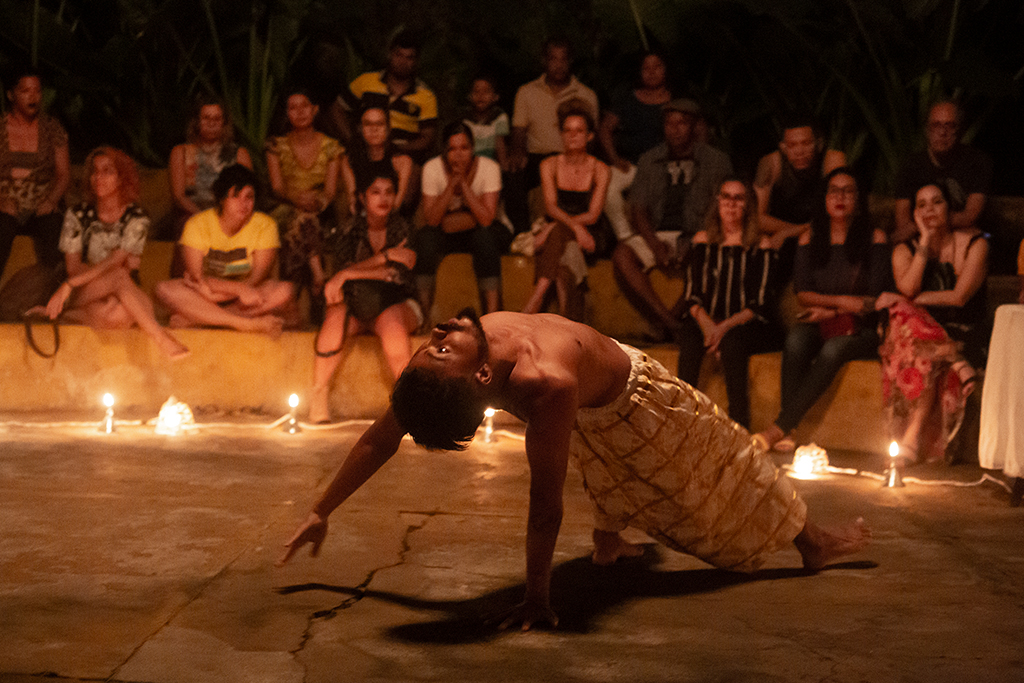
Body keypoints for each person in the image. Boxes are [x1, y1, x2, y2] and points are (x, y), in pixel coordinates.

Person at [279, 309, 872, 630]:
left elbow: (381, 437)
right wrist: (537, 596)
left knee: (726, 461)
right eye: (439, 350)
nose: (438, 333)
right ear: (479, 379)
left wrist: (317, 511)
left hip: (641, 396)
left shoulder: (507, 361)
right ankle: (805, 542)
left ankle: (806, 541)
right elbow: (542, 503)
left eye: (433, 345)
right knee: (688, 475)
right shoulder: (539, 384)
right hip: (609, 410)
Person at [754, 167, 891, 452]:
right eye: (834, 191)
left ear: (858, 198)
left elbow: (873, 300)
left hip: (864, 327)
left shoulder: (874, 237)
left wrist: (832, 308)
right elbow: (803, 293)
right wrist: (841, 304)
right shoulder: (810, 236)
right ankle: (789, 431)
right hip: (823, 319)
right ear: (825, 198)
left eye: (848, 191)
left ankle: (780, 427)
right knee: (796, 340)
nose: (840, 197)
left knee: (833, 350)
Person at [38, 147, 188, 359]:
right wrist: (72, 283)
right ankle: (161, 338)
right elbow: (74, 269)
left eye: (108, 171)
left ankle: (70, 317)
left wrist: (83, 276)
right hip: (84, 289)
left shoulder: (136, 217)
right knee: (119, 275)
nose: (98, 177)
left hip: (123, 291)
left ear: (121, 178)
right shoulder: (78, 214)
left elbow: (116, 261)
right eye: (95, 171)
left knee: (118, 312)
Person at [878, 182, 988, 464]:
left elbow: (959, 297)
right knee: (908, 323)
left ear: (949, 209)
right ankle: (954, 360)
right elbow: (911, 286)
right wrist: (925, 240)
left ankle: (911, 437)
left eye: (937, 202)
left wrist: (903, 300)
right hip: (916, 336)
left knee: (904, 312)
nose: (929, 210)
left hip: (961, 331)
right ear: (914, 213)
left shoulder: (976, 245)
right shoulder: (904, 250)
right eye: (922, 205)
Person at [611, 99, 733, 337]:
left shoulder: (716, 161)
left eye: (682, 123)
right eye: (669, 123)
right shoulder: (649, 159)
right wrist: (653, 243)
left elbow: (719, 209)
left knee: (711, 260)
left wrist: (696, 239)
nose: (675, 129)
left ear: (695, 126)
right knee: (622, 255)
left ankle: (669, 321)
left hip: (699, 232)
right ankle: (671, 323)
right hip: (658, 232)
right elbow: (638, 208)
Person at [309, 169, 420, 424]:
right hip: (358, 304)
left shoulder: (403, 227)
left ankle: (408, 403)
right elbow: (340, 282)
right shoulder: (348, 230)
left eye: (389, 192)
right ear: (361, 197)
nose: (383, 198)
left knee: (392, 319)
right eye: (375, 192)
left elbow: (398, 275)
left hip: (398, 303)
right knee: (336, 315)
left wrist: (350, 272)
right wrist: (386, 258)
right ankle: (318, 395)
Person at [674, 179, 783, 429]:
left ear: (747, 205)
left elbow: (761, 302)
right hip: (708, 318)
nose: (731, 204)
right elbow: (692, 292)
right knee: (689, 338)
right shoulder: (703, 240)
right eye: (726, 197)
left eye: (738, 198)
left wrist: (722, 329)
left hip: (748, 322)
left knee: (733, 342)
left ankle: (738, 426)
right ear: (718, 202)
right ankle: (680, 419)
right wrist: (707, 325)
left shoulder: (760, 244)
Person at [155, 164, 297, 335]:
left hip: (242, 297)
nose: (243, 204)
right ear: (222, 198)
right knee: (164, 289)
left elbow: (256, 278)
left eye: (249, 197)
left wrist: (229, 293)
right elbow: (197, 277)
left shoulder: (265, 225)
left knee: (284, 291)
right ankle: (243, 323)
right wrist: (235, 289)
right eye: (235, 197)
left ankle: (200, 320)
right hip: (204, 295)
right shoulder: (197, 224)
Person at [412, 121, 513, 317]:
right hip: (448, 231)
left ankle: (492, 316)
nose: (458, 154)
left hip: (488, 231)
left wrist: (464, 186)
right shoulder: (432, 169)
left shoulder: (488, 168)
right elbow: (432, 220)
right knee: (425, 239)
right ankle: (423, 315)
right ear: (444, 151)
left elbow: (485, 219)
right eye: (452, 149)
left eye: (464, 148)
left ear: (473, 149)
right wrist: (452, 185)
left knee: (485, 238)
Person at [521, 100, 610, 318]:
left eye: (579, 131)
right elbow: (551, 206)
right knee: (563, 256)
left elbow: (594, 214)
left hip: (591, 233)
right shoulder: (549, 165)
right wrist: (570, 228)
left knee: (557, 235)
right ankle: (565, 317)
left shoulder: (600, 169)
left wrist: (560, 229)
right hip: (563, 231)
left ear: (589, 136)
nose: (573, 136)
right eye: (567, 130)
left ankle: (534, 301)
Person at [266, 88, 345, 324]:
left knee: (305, 221)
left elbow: (330, 191)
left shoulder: (331, 146)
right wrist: (296, 199)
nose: (299, 112)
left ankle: (291, 298)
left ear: (315, 109)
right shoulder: (275, 145)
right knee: (302, 219)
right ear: (287, 113)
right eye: (293, 107)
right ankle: (318, 278)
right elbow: (277, 188)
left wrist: (316, 202)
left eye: (304, 106)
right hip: (285, 208)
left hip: (319, 209)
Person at [505, 37, 599, 234]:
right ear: (544, 61)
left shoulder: (586, 95)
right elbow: (519, 131)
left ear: (570, 61)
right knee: (513, 174)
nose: (558, 65)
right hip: (537, 156)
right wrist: (517, 152)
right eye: (553, 59)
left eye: (563, 59)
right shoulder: (527, 92)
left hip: (571, 156)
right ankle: (522, 234)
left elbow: (591, 136)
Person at [753, 114, 846, 282]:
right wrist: (793, 231)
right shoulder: (771, 164)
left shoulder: (832, 160)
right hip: (780, 233)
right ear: (783, 147)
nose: (799, 151)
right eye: (792, 145)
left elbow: (843, 209)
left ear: (819, 144)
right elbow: (757, 217)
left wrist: (790, 232)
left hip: (822, 230)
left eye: (806, 143)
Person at [0, 66, 70, 274]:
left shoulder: (52, 128)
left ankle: (52, 297)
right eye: (26, 91)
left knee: (55, 230)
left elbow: (63, 174)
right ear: (11, 95)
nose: (33, 97)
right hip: (6, 202)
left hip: (41, 201)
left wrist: (50, 200)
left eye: (37, 91)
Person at [331, 30, 437, 164]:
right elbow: (337, 108)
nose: (403, 62)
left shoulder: (425, 95)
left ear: (416, 61)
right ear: (389, 54)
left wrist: (398, 149)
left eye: (409, 57)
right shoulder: (366, 82)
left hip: (402, 155)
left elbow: (427, 138)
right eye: (398, 55)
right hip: (364, 150)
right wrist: (351, 140)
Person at [598, 52, 673, 242]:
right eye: (646, 68)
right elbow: (605, 128)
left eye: (657, 67)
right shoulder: (627, 99)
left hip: (663, 167)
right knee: (606, 184)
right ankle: (626, 237)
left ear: (665, 69)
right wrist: (614, 159)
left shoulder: (675, 101)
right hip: (630, 165)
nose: (652, 72)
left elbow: (697, 130)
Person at [893, 101, 992, 243]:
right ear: (927, 130)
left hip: (963, 238)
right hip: (924, 239)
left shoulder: (977, 162)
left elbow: (970, 216)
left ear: (960, 129)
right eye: (936, 125)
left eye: (949, 126)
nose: (942, 132)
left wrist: (927, 221)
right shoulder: (910, 166)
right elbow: (903, 225)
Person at [168, 96, 253, 238]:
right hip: (192, 214)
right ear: (197, 121)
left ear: (224, 123)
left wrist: (225, 217)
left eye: (216, 119)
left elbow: (247, 194)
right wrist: (206, 218)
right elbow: (178, 197)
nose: (211, 123)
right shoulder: (180, 152)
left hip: (230, 214)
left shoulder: (239, 154)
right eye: (206, 118)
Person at [341, 106, 415, 217]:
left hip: (392, 219)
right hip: (361, 217)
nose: (374, 129)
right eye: (368, 124)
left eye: (379, 124)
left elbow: (396, 204)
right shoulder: (349, 160)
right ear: (360, 129)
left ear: (388, 128)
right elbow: (353, 202)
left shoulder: (402, 161)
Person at [462, 74, 509, 167]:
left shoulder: (499, 117)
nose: (481, 96)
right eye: (476, 92)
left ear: (495, 97)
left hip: (491, 162)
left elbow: (500, 144)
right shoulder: (465, 119)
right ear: (470, 96)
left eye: (486, 92)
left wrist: (503, 167)